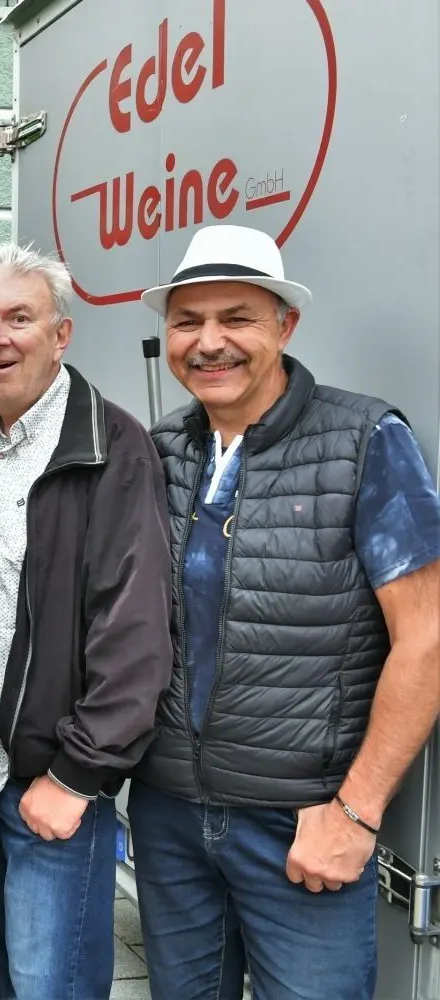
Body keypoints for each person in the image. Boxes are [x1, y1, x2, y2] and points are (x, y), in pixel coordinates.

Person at [128, 225, 440, 999]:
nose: (209, 343)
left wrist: (356, 814)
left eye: (236, 318)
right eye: (187, 322)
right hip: (169, 818)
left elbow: (427, 638)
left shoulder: (365, 439)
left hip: (301, 823)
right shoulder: (162, 448)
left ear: (284, 326)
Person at [0, 244, 173, 999]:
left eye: (19, 318)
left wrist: (76, 774)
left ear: (60, 335)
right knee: (5, 962)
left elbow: (135, 630)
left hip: (51, 777)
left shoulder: (108, 447)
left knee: (49, 982)